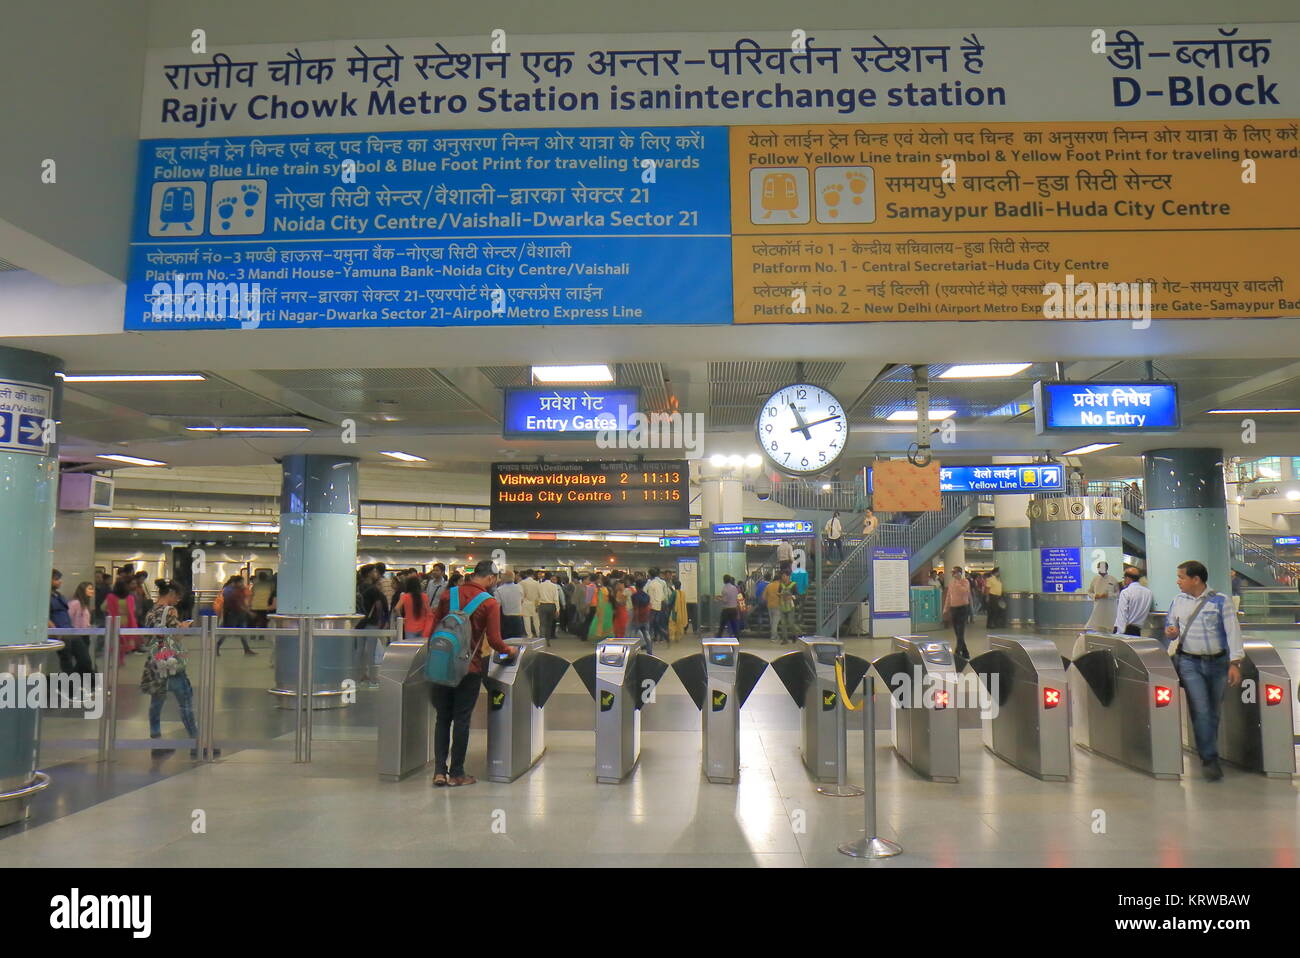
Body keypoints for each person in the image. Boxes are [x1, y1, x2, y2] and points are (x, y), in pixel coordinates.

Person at [429, 559, 515, 787]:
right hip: (469, 668)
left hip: (442, 665)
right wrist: (510, 650)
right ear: (490, 578)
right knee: (462, 720)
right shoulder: (489, 603)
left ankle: (439, 771)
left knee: (442, 718)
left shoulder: (449, 595)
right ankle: (457, 773)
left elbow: (434, 629)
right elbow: (495, 641)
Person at [1163, 560, 1245, 781]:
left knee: (1213, 712)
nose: (1178, 581)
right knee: (1201, 710)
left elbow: (1232, 632)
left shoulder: (1220, 601)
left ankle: (1208, 750)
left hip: (1217, 664)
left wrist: (1235, 663)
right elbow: (1170, 627)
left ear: (1196, 579)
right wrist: (1171, 632)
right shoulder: (1178, 601)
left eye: (1181, 577)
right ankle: (1209, 758)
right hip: (1189, 663)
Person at [141, 582, 212, 758]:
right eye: (177, 596)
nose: (178, 600)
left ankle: (156, 742)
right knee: (185, 702)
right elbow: (175, 635)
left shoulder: (150, 612)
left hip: (154, 661)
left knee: (156, 703)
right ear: (170, 593)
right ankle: (197, 743)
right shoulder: (170, 611)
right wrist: (184, 628)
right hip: (170, 661)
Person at [355, 565, 387, 686]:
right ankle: (373, 677)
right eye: (374, 571)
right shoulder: (373, 589)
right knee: (371, 650)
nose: (376, 573)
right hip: (371, 622)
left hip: (359, 622)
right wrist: (380, 621)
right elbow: (379, 606)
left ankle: (360, 675)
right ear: (369, 574)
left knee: (360, 650)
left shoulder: (358, 587)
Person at [216, 574, 255, 656]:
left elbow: (243, 601)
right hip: (233, 614)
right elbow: (238, 604)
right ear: (236, 583)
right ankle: (217, 645)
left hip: (239, 614)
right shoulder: (232, 591)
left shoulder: (240, 590)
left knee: (242, 631)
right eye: (241, 582)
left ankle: (246, 649)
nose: (243, 584)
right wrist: (249, 612)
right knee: (228, 631)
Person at [105, 578, 139, 662]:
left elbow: (103, 607)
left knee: (116, 641)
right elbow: (133, 609)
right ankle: (121, 659)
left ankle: (116, 659)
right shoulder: (130, 597)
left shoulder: (110, 597)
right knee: (124, 642)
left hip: (114, 621)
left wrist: (110, 610)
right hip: (127, 621)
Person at [943, 566, 972, 662]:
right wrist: (946, 608)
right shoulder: (951, 583)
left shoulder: (965, 582)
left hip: (963, 608)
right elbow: (948, 596)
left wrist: (958, 582)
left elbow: (965, 592)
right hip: (953, 608)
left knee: (961, 631)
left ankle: (957, 652)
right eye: (952, 572)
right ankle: (965, 652)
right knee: (957, 631)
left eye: (954, 572)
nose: (953, 574)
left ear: (959, 573)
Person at [1113, 567, 1153, 636]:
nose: (1124, 581)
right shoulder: (1148, 593)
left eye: (1124, 578)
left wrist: (1118, 633)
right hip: (1137, 631)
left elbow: (1122, 615)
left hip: (1125, 630)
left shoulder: (1126, 592)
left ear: (1128, 578)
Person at [394, 574, 435, 640]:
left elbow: (396, 608)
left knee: (411, 648)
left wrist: (401, 618)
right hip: (423, 626)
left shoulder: (405, 596)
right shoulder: (424, 596)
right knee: (421, 648)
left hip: (409, 627)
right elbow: (428, 611)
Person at [1084, 561, 1120, 632]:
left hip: (1110, 609)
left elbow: (1118, 593)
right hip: (1098, 608)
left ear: (1106, 568)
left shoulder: (1113, 579)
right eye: (1099, 568)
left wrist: (1108, 595)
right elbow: (1089, 592)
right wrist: (1095, 596)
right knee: (1098, 629)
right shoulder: (1095, 579)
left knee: (1110, 629)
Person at [494, 570, 527, 639]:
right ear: (513, 578)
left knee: (506, 641)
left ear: (502, 578)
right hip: (518, 618)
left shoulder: (498, 590)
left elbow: (497, 605)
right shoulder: (519, 587)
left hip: (505, 619)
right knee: (518, 641)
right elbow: (522, 600)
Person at [645, 568, 670, 644]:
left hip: (653, 605)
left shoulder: (650, 582)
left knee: (653, 622)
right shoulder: (662, 582)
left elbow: (645, 591)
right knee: (660, 621)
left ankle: (655, 637)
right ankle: (662, 637)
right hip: (662, 603)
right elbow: (665, 594)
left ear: (650, 575)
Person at [588, 575, 614, 641]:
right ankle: (607, 636)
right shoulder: (607, 588)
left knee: (602, 622)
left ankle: (602, 636)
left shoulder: (602, 589)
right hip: (607, 608)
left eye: (599, 579)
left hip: (603, 608)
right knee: (607, 622)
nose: (598, 580)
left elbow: (601, 600)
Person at [537, 571, 560, 645]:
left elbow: (537, 597)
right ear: (550, 577)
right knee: (549, 624)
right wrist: (557, 609)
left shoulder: (540, 585)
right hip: (551, 605)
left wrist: (537, 605)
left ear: (544, 577)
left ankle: (541, 640)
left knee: (542, 624)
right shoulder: (554, 586)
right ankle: (547, 640)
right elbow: (556, 598)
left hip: (542, 605)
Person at [519, 569, 541, 639]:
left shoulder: (522, 582)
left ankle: (529, 635)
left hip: (525, 603)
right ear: (533, 575)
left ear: (526, 574)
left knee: (526, 620)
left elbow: (520, 594)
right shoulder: (537, 583)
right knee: (536, 620)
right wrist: (538, 604)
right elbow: (539, 595)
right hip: (535, 603)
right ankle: (538, 634)